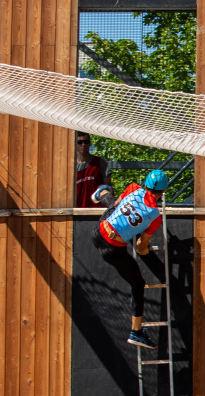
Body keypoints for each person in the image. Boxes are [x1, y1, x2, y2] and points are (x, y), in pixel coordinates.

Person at [90, 170, 169, 349]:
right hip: (112, 250)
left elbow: (118, 206)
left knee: (112, 207)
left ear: (146, 183)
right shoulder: (155, 216)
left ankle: (102, 191)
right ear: (163, 192)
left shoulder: (133, 187)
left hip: (98, 232)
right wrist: (142, 243)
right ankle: (136, 332)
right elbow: (141, 248)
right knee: (138, 283)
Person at [75, 132, 113, 208]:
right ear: (75, 145)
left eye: (86, 142)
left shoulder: (99, 162)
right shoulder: (71, 166)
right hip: (77, 211)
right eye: (79, 142)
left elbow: (109, 188)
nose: (83, 145)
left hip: (97, 211)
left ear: (90, 144)